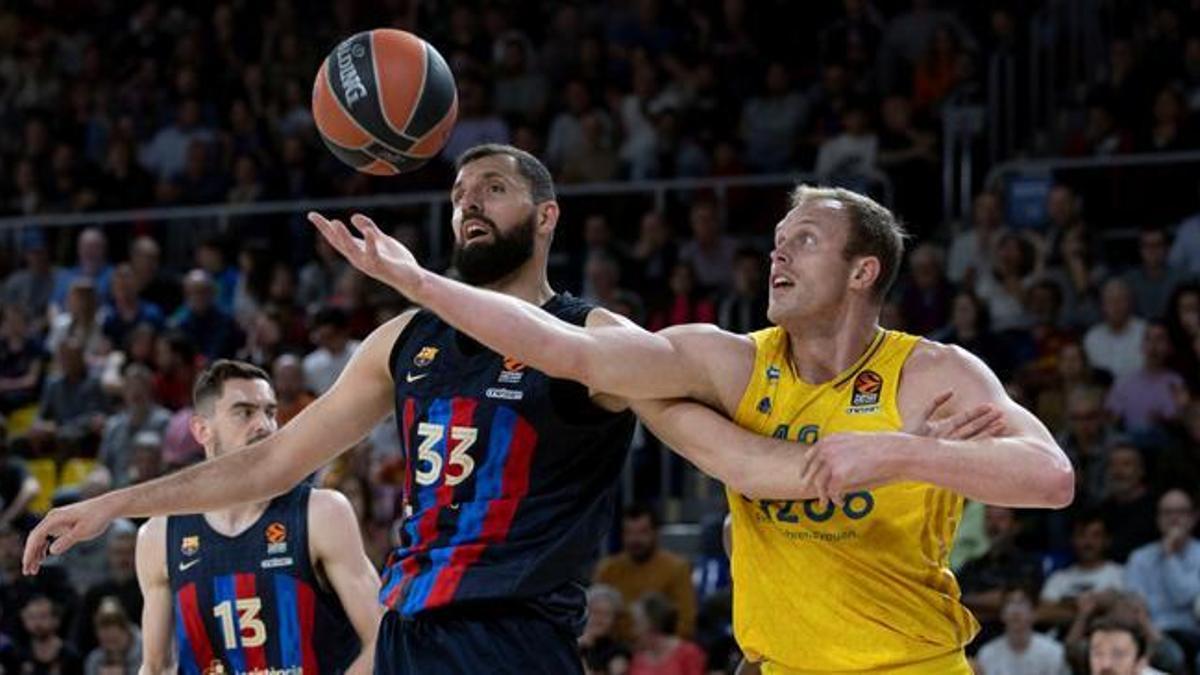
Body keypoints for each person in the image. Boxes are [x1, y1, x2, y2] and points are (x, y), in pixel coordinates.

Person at [26, 146, 1008, 673]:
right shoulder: (402, 342)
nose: (469, 204)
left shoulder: (606, 339)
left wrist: (885, 453)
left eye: (492, 187)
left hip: (514, 635)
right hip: (410, 632)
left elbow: (742, 463)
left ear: (546, 216)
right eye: (457, 191)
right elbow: (268, 466)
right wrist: (120, 504)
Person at [295, 175, 1073, 672]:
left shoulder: (930, 374)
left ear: (863, 269)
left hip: (909, 664)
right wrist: (416, 281)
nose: (777, 256)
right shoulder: (730, 363)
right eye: (774, 243)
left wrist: (900, 454)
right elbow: (565, 348)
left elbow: (1051, 478)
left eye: (803, 241)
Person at [134, 360, 381, 673]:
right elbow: (155, 666)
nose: (264, 425)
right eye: (244, 412)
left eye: (270, 412)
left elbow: (381, 639)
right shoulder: (158, 536)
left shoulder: (321, 512)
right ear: (202, 429)